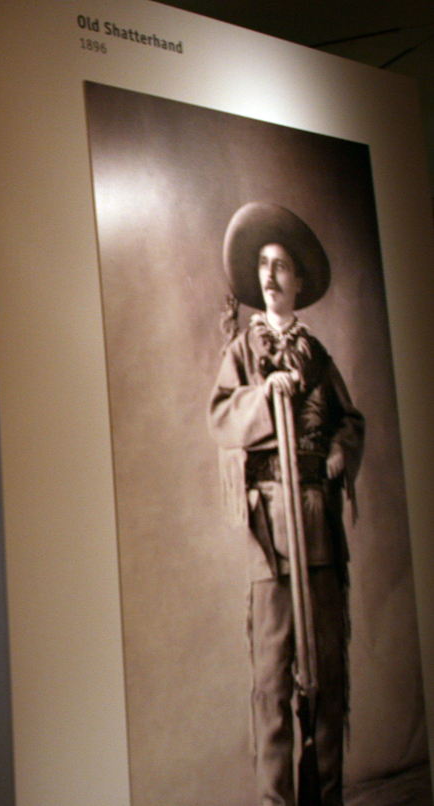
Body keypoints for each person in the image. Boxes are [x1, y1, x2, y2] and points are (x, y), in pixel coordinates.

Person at [208, 202, 365, 806]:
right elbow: (220, 415)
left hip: (318, 527)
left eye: (282, 267)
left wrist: (338, 457)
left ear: (298, 283)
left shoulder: (318, 357)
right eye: (263, 266)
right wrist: (261, 395)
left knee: (325, 677)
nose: (271, 275)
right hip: (269, 534)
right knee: (273, 682)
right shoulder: (242, 352)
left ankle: (323, 796)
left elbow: (351, 421)